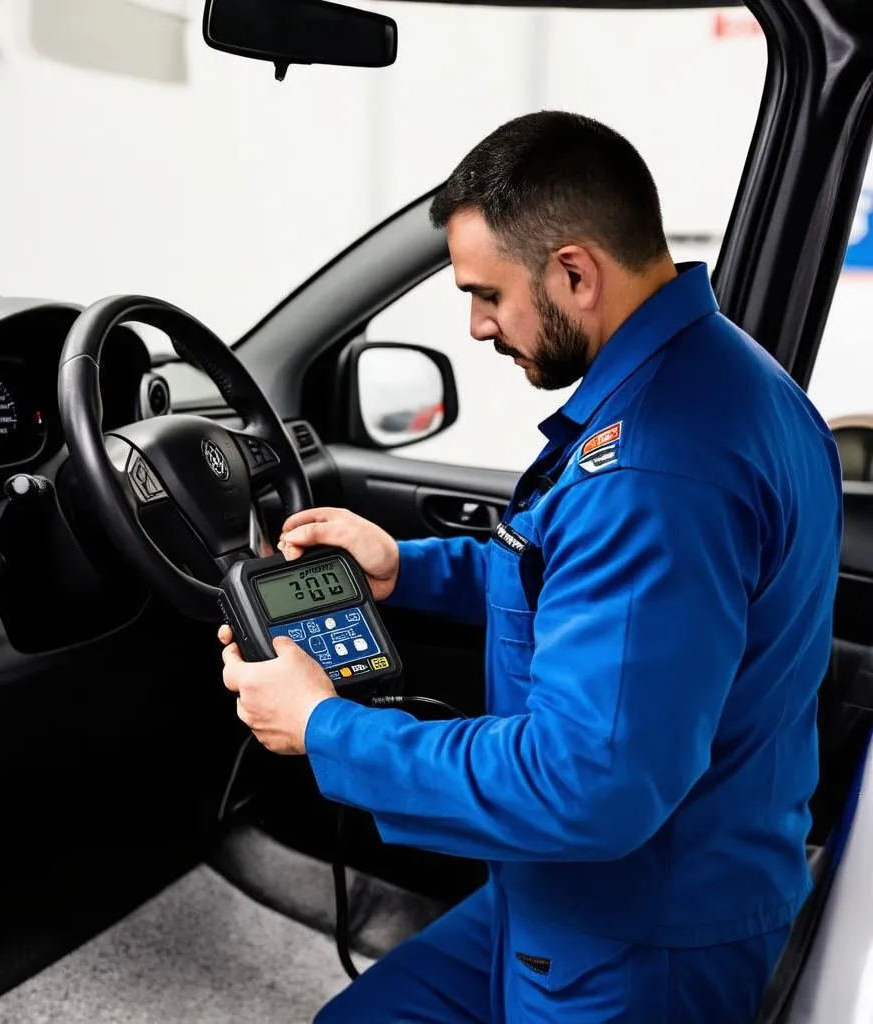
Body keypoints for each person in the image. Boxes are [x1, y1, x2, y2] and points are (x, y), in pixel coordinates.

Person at [218, 111, 844, 1023]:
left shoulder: (656, 470)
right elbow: (572, 571)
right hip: (583, 887)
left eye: (486, 294)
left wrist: (322, 727)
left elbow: (586, 783)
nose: (474, 326)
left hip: (636, 931)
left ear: (575, 273)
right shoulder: (719, 379)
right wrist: (403, 569)